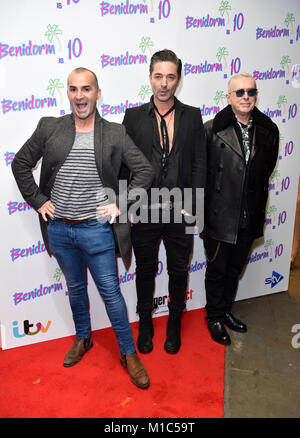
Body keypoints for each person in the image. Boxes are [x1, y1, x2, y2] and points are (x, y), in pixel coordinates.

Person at [12, 67, 154, 389]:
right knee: (75, 288)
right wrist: (37, 199)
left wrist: (121, 203)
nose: (80, 96)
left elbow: (144, 171)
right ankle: (84, 337)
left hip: (96, 230)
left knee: (110, 293)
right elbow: (20, 163)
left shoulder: (115, 133)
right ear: (68, 93)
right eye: (74, 89)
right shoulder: (50, 127)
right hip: (60, 229)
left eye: (86, 89)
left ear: (98, 93)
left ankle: (128, 353)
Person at [121, 50, 206, 354]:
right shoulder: (132, 117)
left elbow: (199, 162)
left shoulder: (193, 115)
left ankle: (173, 322)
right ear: (150, 77)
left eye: (170, 77)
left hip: (179, 208)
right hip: (144, 209)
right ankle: (145, 322)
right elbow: (122, 165)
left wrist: (192, 205)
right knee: (144, 270)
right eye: (159, 76)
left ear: (178, 79)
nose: (164, 83)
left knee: (179, 271)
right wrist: (126, 206)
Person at [203, 72, 279, 345]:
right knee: (217, 270)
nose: (246, 97)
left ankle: (225, 312)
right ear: (229, 97)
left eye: (251, 92)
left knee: (235, 270)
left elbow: (266, 169)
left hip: (250, 215)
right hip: (220, 217)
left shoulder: (268, 130)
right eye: (239, 92)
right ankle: (213, 318)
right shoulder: (211, 129)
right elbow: (202, 175)